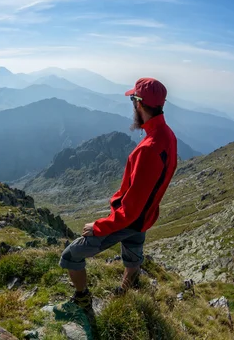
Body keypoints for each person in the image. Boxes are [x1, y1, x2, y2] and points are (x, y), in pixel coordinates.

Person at [56, 77, 178, 314]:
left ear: (139, 104)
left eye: (133, 99)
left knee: (71, 255)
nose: (132, 105)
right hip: (146, 216)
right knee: (133, 253)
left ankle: (82, 300)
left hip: (131, 219)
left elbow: (130, 210)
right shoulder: (168, 136)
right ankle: (126, 288)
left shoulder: (148, 149)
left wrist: (100, 226)